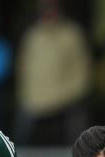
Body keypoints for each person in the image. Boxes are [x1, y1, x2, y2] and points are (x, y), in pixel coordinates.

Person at [14, 0, 90, 145]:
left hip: (63, 103)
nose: (48, 11)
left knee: (72, 149)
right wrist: (25, 96)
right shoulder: (32, 35)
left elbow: (82, 71)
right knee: (21, 149)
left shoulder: (72, 35)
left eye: (51, 6)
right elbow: (23, 67)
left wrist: (68, 96)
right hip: (33, 103)